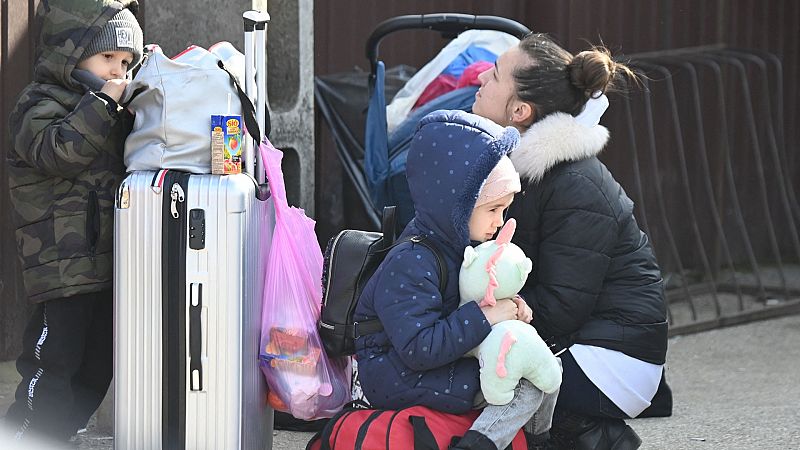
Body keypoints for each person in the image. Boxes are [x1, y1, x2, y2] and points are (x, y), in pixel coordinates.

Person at [471, 33, 672, 450]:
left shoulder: (575, 185)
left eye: (492, 76)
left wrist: (471, 332)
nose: (479, 80)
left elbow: (561, 309)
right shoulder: (523, 169)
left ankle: (593, 435)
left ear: (519, 110)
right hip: (578, 339)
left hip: (613, 360)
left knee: (471, 387)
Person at [354, 109, 559, 450]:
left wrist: (510, 308)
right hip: (392, 373)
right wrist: (487, 316)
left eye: (504, 210)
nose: (499, 221)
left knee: (539, 362)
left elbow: (472, 298)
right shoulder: (411, 262)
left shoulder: (458, 244)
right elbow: (420, 348)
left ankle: (537, 442)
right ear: (456, 204)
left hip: (437, 356)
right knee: (524, 384)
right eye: (492, 210)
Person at [2, 0, 143, 444]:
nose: (117, 72)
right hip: (60, 264)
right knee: (54, 361)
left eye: (126, 63)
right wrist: (104, 103)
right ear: (72, 52)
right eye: (108, 59)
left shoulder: (106, 108)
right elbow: (59, 151)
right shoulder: (39, 103)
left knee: (98, 362)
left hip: (101, 262)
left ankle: (57, 433)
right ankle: (25, 433)